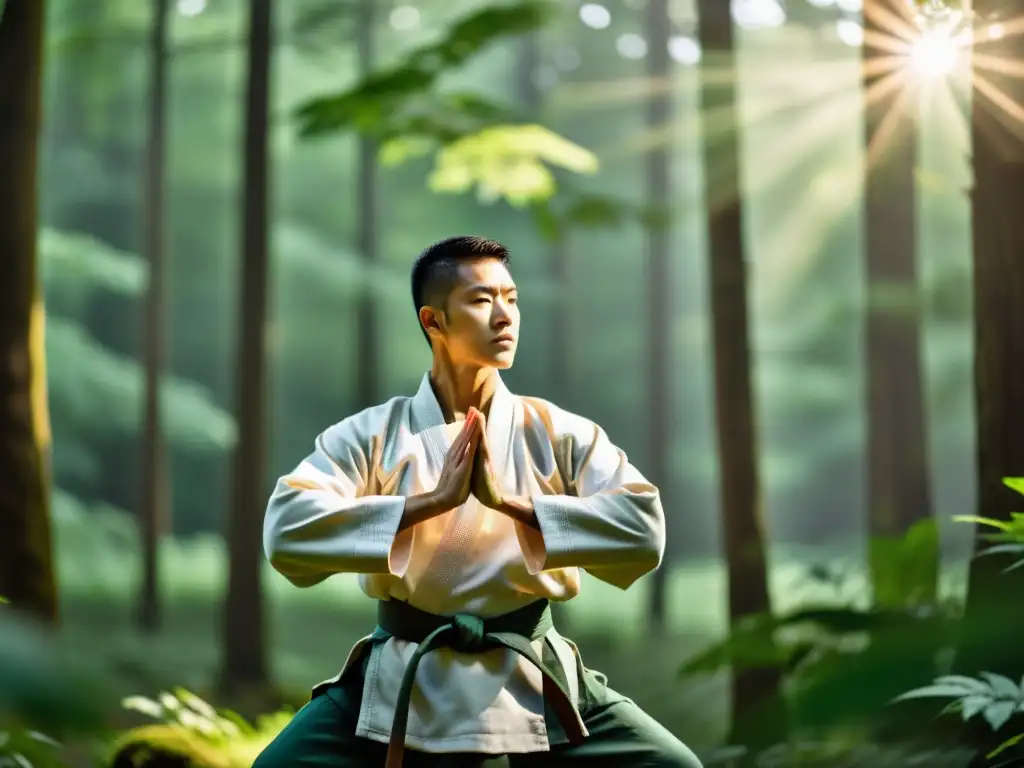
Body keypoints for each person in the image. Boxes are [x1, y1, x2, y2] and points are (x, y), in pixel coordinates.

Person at [254, 237, 703, 768]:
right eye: (482, 300)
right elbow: (285, 530)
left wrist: (512, 502)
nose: (504, 316)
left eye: (511, 299)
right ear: (434, 321)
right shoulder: (371, 435)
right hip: (404, 673)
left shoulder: (559, 433)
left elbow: (644, 532)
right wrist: (430, 501)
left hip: (534, 671)